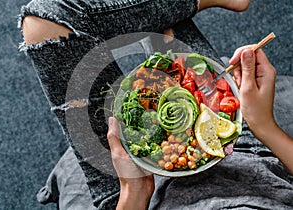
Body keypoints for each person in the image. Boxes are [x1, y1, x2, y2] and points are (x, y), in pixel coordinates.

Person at [19, 0, 283, 209]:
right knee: (165, 39)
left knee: (43, 22)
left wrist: (135, 192)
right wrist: (264, 125)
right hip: (239, 147)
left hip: (137, 195)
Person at [107, 47, 293, 209]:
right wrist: (264, 127)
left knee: (81, 33)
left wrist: (134, 192)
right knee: (176, 39)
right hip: (244, 146)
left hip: (153, 184)